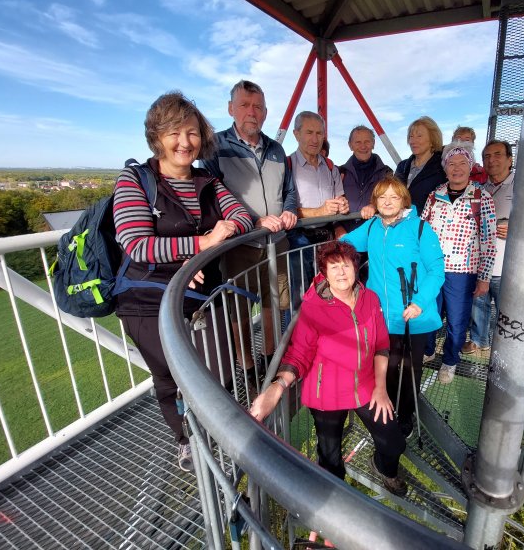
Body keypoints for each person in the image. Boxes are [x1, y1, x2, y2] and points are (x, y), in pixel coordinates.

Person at [114, 91, 253, 471]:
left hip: (203, 296)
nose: (184, 142)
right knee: (170, 377)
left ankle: (220, 431)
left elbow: (240, 218)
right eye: (174, 132)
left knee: (218, 372)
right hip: (147, 299)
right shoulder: (136, 180)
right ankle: (187, 439)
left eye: (191, 133)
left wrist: (204, 251)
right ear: (157, 137)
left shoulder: (207, 182)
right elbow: (136, 243)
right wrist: (201, 244)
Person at [249, 241, 408, 495]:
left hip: (366, 385)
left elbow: (380, 344)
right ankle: (335, 506)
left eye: (346, 265)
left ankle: (383, 469)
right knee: (330, 460)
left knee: (394, 443)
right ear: (323, 272)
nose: (341, 272)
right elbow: (299, 353)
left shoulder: (370, 298)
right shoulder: (313, 308)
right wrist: (277, 388)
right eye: (333, 267)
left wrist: (380, 388)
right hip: (326, 394)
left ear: (356, 268)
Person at [200, 80, 297, 378]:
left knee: (274, 302)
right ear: (231, 109)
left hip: (277, 241)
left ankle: (269, 357)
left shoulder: (277, 150)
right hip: (239, 245)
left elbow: (289, 190)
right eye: (244, 105)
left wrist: (290, 210)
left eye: (257, 106)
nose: (251, 112)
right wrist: (251, 223)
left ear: (266, 112)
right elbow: (212, 197)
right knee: (239, 309)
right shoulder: (215, 148)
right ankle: (247, 366)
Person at [342, 176, 445, 438]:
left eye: (394, 197)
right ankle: (385, 411)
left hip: (413, 317)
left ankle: (406, 416)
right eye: (382, 197)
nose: (387, 202)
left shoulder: (420, 229)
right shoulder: (372, 227)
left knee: (410, 370)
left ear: (403, 201)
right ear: (375, 202)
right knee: (385, 367)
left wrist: (420, 303)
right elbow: (343, 246)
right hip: (381, 318)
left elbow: (436, 271)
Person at [421, 145, 496, 384]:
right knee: (430, 313)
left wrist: (484, 277)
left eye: (462, 163)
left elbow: (489, 240)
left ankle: (450, 360)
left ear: (471, 166)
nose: (456, 169)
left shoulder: (481, 197)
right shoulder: (435, 195)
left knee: (457, 320)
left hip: (462, 273)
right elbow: (422, 231)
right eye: (451, 164)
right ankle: (428, 350)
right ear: (444, 168)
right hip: (433, 269)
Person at [287, 111, 349, 303]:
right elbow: (282, 209)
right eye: (309, 132)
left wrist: (342, 206)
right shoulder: (287, 166)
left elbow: (340, 198)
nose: (315, 139)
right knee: (300, 297)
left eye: (319, 133)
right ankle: (299, 333)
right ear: (296, 134)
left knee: (329, 290)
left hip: (327, 238)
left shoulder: (330, 167)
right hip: (299, 239)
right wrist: (319, 212)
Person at [463, 140, 515, 355]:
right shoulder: (480, 190)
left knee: (507, 309)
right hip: (482, 262)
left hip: (508, 265)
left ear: (510, 159)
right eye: (487, 156)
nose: (491, 160)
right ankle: (478, 340)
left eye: (497, 154)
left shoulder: (521, 187)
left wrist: (516, 228)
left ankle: (506, 347)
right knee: (479, 305)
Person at [339, 125, 393, 232]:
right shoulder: (340, 172)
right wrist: (338, 229)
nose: (363, 146)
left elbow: (394, 201)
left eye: (367, 141)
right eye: (358, 142)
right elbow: (333, 203)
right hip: (348, 236)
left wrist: (375, 206)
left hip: (377, 233)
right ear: (350, 145)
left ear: (373, 144)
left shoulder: (386, 173)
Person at [394, 117, 447, 214]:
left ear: (432, 140)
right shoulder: (402, 166)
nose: (413, 141)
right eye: (411, 136)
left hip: (425, 226)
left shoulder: (442, 168)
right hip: (400, 225)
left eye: (419, 136)